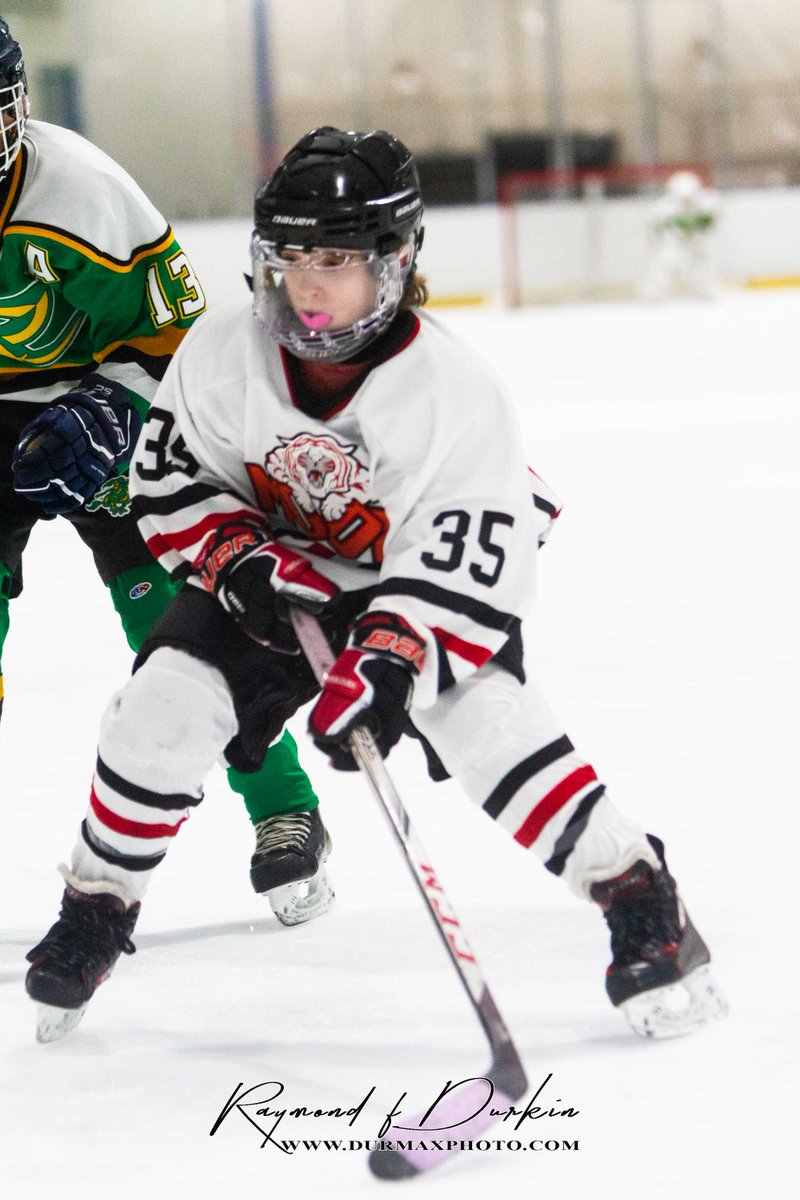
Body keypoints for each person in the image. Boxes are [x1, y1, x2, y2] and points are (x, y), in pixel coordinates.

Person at [25, 125, 728, 1043]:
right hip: (274, 579)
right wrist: (238, 560)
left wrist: (392, 657)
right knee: (158, 707)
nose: (307, 284)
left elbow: (466, 553)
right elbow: (171, 479)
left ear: (395, 262)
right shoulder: (223, 350)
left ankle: (639, 893)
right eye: (289, 258)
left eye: (335, 260)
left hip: (409, 591)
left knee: (491, 728)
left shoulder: (449, 390)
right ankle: (97, 905)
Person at [0, 16, 333, 927]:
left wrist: (113, 408)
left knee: (176, 625)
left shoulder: (79, 193)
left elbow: (180, 335)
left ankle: (285, 807)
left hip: (96, 398)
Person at [642, 169, 720, 301]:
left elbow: (711, 221)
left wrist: (699, 227)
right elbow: (654, 228)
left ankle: (707, 290)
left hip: (697, 241)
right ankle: (654, 293)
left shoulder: (706, 203)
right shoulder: (663, 208)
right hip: (674, 242)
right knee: (665, 262)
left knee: (705, 262)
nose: (686, 201)